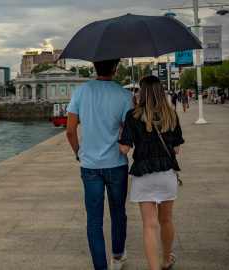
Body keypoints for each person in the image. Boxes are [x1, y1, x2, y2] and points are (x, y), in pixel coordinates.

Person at [66, 58, 133, 270]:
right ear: (114, 67)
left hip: (90, 165)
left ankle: (100, 267)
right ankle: (117, 257)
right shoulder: (124, 94)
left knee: (94, 218)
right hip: (116, 163)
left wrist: (79, 153)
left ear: (95, 67)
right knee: (118, 212)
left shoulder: (80, 92)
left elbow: (69, 130)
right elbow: (127, 130)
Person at [118, 75, 184, 270]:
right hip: (166, 175)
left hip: (144, 175)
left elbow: (124, 149)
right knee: (166, 219)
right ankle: (166, 261)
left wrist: (122, 134)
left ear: (142, 93)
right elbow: (177, 149)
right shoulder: (171, 115)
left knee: (149, 225)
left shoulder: (133, 116)